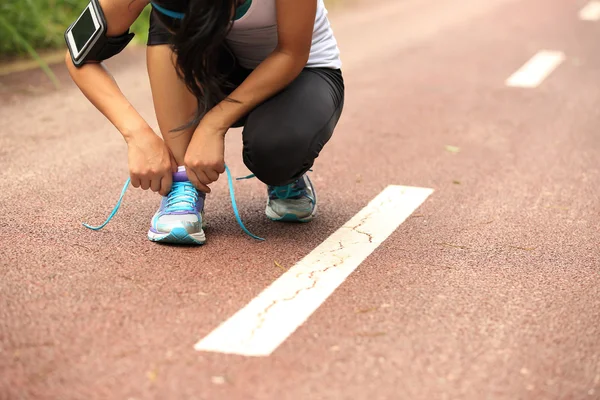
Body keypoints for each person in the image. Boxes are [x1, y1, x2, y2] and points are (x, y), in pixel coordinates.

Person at [65, 0, 345, 245]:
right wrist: (137, 135)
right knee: (167, 23)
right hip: (216, 68)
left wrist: (214, 124)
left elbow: (290, 54)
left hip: (299, 73)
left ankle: (287, 176)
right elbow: (79, 56)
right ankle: (183, 181)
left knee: (277, 150)